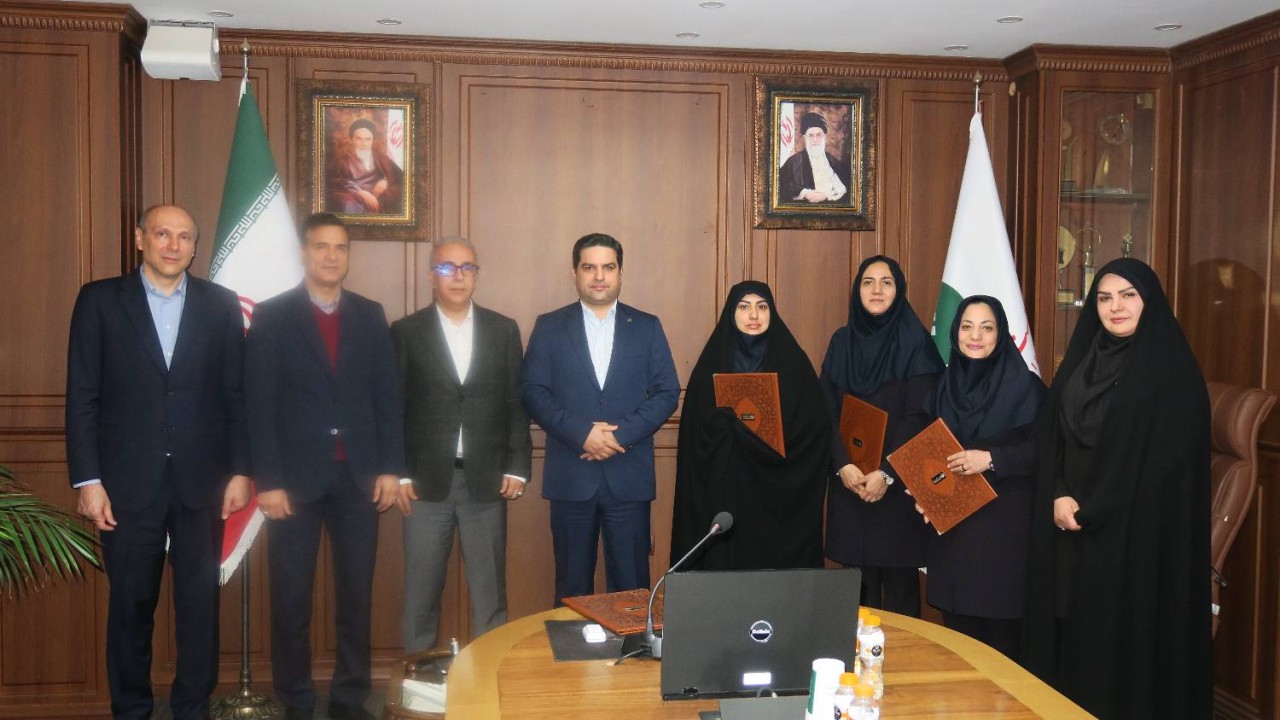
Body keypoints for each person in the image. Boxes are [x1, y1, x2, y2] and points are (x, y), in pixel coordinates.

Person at [65, 204, 251, 720]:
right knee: (130, 608)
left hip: (202, 483)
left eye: (184, 237)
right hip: (126, 485)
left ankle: (192, 708)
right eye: (163, 234)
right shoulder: (100, 300)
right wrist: (88, 480)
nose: (173, 245)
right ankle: (131, 710)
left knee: (199, 609)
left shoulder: (220, 304)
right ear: (140, 239)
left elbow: (235, 395)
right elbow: (82, 395)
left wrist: (241, 470)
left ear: (195, 247)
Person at [1022, 259, 1211, 720]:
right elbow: (1053, 436)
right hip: (1069, 521)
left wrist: (1096, 508)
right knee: (1066, 633)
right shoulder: (1084, 358)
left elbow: (1162, 470)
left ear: (1150, 302)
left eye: (1128, 295)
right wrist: (1058, 492)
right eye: (1104, 298)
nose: (1115, 307)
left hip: (1133, 537)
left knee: (1116, 647)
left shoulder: (1173, 375)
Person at [245, 213, 405, 720]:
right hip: (293, 482)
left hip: (359, 479)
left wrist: (389, 468)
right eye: (321, 246)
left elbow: (387, 398)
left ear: (348, 255)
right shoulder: (272, 315)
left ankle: (350, 699)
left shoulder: (370, 314)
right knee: (291, 600)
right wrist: (267, 480)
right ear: (304, 252)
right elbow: (258, 405)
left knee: (355, 598)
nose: (331, 256)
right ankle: (295, 700)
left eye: (340, 247)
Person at [522, 233, 680, 605]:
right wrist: (582, 434)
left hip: (628, 477)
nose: (598, 276)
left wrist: (617, 436)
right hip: (571, 475)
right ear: (575, 272)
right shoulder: (549, 326)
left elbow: (667, 392)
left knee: (631, 589)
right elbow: (532, 392)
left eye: (608, 267)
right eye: (589, 267)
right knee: (571, 588)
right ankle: (573, 648)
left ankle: (632, 644)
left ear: (620, 273)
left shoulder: (646, 326)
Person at [392, 236, 532, 654]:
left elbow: (515, 402)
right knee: (420, 593)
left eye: (467, 267)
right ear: (430, 275)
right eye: (446, 267)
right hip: (423, 485)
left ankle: (486, 679)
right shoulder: (406, 331)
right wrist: (399, 473)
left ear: (476, 275)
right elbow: (393, 406)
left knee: (490, 594)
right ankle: (415, 679)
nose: (458, 276)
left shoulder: (503, 330)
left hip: (486, 483)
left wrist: (517, 465)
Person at [670, 281, 831, 570]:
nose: (753, 315)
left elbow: (815, 428)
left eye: (762, 307)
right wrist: (723, 424)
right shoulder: (711, 364)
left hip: (777, 492)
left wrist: (776, 438)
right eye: (744, 307)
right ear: (731, 313)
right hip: (727, 490)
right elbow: (695, 434)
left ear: (772, 313)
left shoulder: (794, 362)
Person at [918, 296, 1045, 659]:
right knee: (958, 647)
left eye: (986, 328)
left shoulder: (1027, 389)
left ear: (1001, 334)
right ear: (955, 332)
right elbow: (926, 453)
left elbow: (1047, 452)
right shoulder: (942, 387)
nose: (975, 336)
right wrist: (924, 494)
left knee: (1002, 649)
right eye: (967, 326)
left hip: (1002, 538)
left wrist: (992, 459)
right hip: (953, 537)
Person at [821, 255, 944, 617]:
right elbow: (825, 410)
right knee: (857, 594)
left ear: (898, 289)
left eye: (886, 282)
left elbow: (919, 418)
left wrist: (887, 473)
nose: (876, 290)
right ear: (857, 290)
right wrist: (842, 465)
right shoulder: (841, 341)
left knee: (900, 595)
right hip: (851, 484)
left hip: (896, 488)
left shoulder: (917, 343)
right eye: (868, 282)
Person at [326, 118, 404, 215]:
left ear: (372, 140)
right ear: (351, 139)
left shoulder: (382, 159)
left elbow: (400, 177)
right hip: (353, 196)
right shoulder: (341, 161)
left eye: (368, 139)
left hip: (378, 197)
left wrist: (386, 181)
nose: (364, 143)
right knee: (347, 202)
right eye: (359, 139)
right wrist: (360, 192)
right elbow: (335, 182)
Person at [778, 111, 851, 204]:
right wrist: (804, 193)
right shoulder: (793, 162)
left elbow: (846, 188)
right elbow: (781, 186)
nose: (815, 140)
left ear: (824, 136)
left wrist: (826, 195)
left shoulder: (835, 163)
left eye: (818, 135)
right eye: (811, 136)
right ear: (805, 137)